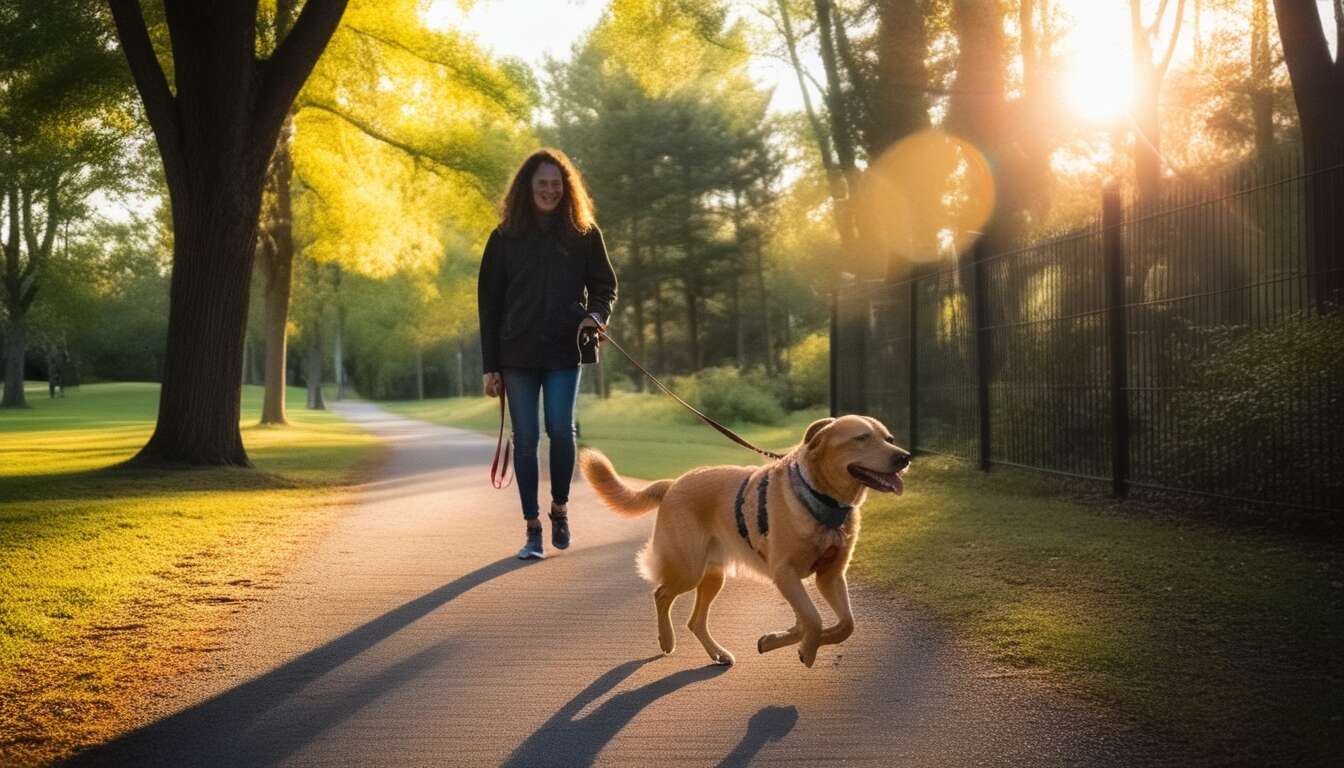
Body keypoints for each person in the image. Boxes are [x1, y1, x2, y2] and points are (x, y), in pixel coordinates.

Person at [478, 148, 617, 560]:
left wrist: (596, 314)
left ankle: (559, 509)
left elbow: (605, 286)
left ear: (566, 187)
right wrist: (490, 367)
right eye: (542, 184)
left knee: (560, 429)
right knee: (525, 440)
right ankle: (532, 528)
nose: (550, 191)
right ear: (528, 187)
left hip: (563, 349)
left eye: (557, 184)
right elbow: (488, 304)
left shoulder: (584, 233)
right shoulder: (504, 237)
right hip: (515, 352)